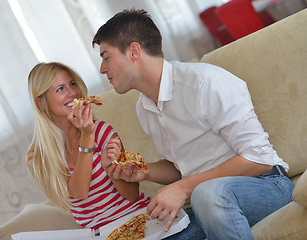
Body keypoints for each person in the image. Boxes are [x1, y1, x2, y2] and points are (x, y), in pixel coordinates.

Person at [92, 8, 293, 240]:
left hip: (266, 185)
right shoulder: (144, 107)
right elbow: (181, 168)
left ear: (134, 51)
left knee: (206, 194)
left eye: (107, 58)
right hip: (206, 201)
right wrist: (144, 172)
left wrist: (185, 188)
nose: (102, 69)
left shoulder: (205, 82)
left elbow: (258, 158)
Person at [26, 62, 150, 230]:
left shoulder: (102, 132)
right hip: (99, 234)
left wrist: (112, 171)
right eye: (60, 89)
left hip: (140, 219)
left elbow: (132, 194)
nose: (72, 93)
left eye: (72, 84)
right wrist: (87, 136)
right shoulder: (39, 157)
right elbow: (79, 192)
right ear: (41, 103)